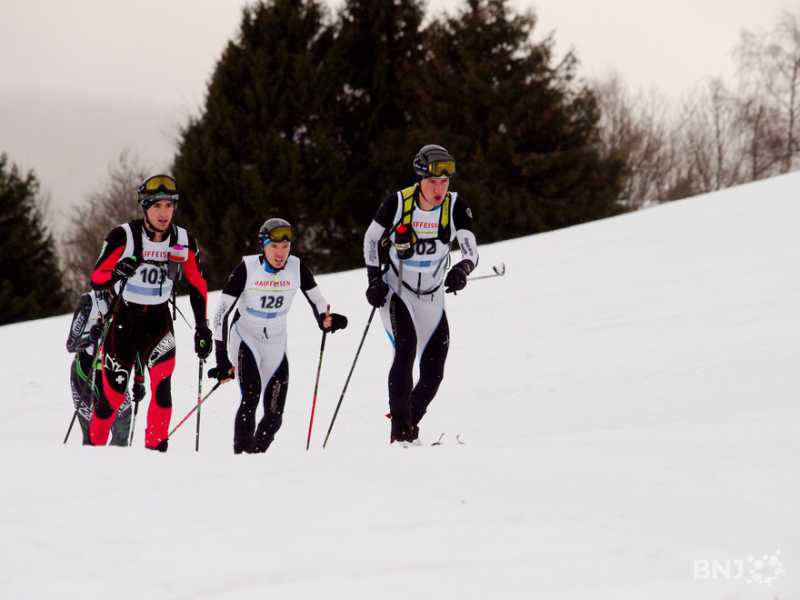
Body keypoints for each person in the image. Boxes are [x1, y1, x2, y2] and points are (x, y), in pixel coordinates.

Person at [363, 144, 479, 444]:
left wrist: (462, 270)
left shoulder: (455, 206)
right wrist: (374, 279)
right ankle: (400, 436)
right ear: (420, 179)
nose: (439, 188)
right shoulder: (398, 202)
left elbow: (470, 249)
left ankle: (408, 421)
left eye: (444, 181)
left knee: (433, 374)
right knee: (406, 350)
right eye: (432, 181)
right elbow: (372, 239)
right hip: (398, 291)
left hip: (433, 295)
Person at [87, 174, 211, 451]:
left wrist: (202, 326)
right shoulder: (124, 236)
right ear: (145, 207)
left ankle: (154, 454)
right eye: (157, 206)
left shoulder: (183, 240)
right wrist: (118, 271)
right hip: (125, 321)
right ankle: (92, 451)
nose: (164, 213)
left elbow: (197, 283)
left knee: (163, 389)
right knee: (113, 398)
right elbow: (97, 277)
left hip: (158, 322)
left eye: (169, 206)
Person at [207, 218, 348, 454]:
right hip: (246, 337)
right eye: (274, 246)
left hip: (276, 342)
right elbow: (221, 312)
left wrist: (326, 320)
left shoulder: (296, 267)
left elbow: (317, 300)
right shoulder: (247, 268)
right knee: (250, 399)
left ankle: (256, 455)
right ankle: (241, 457)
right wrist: (222, 358)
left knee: (274, 416)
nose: (280, 253)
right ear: (263, 245)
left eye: (285, 246)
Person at [66, 290, 142, 446]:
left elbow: (137, 344)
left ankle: (116, 467)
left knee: (123, 425)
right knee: (92, 438)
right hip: (85, 371)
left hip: (112, 370)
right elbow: (71, 344)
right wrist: (90, 337)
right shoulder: (89, 301)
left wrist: (139, 379)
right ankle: (91, 468)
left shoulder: (131, 300)